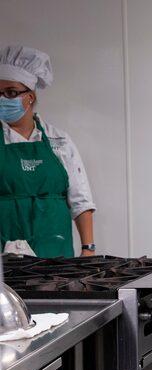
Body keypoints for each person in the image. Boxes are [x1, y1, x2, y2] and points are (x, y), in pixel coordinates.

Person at [0, 46, 96, 258]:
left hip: (55, 256)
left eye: (11, 93)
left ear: (30, 97)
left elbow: (81, 201)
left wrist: (88, 249)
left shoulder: (58, 141)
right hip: (5, 260)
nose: (3, 99)